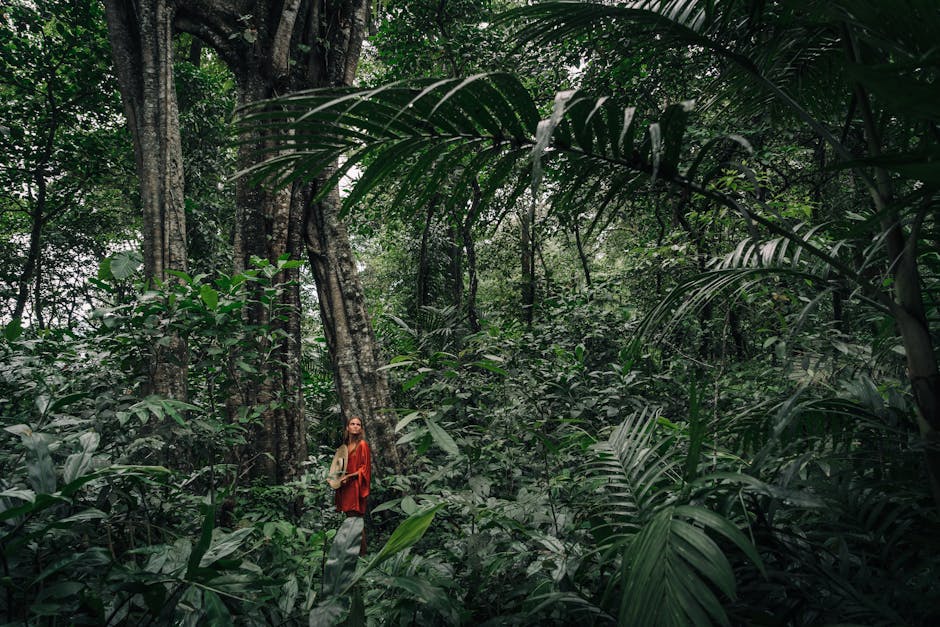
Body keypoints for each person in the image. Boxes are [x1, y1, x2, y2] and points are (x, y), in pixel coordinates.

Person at [335, 415, 371, 554]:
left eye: (358, 424)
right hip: (345, 487)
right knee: (351, 521)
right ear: (347, 427)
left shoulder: (362, 445)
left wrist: (349, 476)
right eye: (352, 423)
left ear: (361, 428)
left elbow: (364, 469)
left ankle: (363, 554)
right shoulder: (345, 447)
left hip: (356, 486)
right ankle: (355, 553)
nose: (355, 426)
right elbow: (340, 467)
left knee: (356, 521)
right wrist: (335, 478)